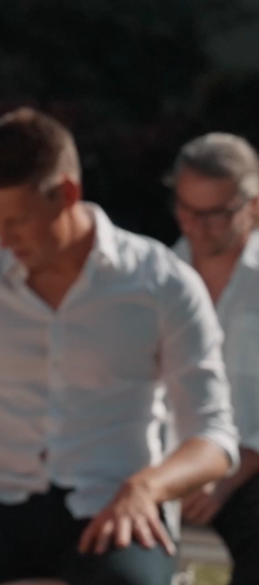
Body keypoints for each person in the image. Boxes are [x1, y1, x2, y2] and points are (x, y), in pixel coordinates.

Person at [0, 109, 238, 585]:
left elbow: (214, 439)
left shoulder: (162, 282)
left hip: (113, 507)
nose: (2, 238)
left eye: (18, 221)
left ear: (67, 194)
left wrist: (146, 488)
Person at [170, 133, 259, 585]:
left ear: (253, 207)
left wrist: (229, 474)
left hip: (249, 467)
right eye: (187, 211)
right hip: (167, 462)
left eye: (216, 215)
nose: (197, 227)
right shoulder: (158, 277)